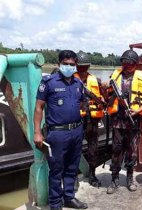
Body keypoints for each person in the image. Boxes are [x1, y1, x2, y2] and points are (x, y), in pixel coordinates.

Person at [33, 50, 88, 210]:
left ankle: (69, 197)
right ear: (59, 64)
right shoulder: (48, 82)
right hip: (57, 133)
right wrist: (37, 132)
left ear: (76, 65)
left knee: (72, 167)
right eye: (66, 64)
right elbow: (39, 108)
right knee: (56, 169)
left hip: (76, 131)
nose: (69, 67)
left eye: (72, 64)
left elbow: (82, 104)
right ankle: (56, 204)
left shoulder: (78, 84)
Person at [106, 49, 142, 194]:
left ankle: (129, 178)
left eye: (130, 63)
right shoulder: (114, 77)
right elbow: (107, 97)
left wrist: (138, 111)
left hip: (134, 120)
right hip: (117, 121)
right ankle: (114, 179)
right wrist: (104, 88)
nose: (127, 66)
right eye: (124, 62)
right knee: (116, 150)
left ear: (136, 64)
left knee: (132, 151)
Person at [73, 51, 107, 187]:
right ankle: (73, 178)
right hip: (75, 120)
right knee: (74, 149)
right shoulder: (69, 80)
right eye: (80, 67)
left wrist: (104, 90)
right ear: (76, 66)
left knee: (93, 149)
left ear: (88, 67)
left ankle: (92, 175)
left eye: (84, 67)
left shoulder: (96, 80)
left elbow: (104, 99)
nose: (82, 70)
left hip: (92, 121)